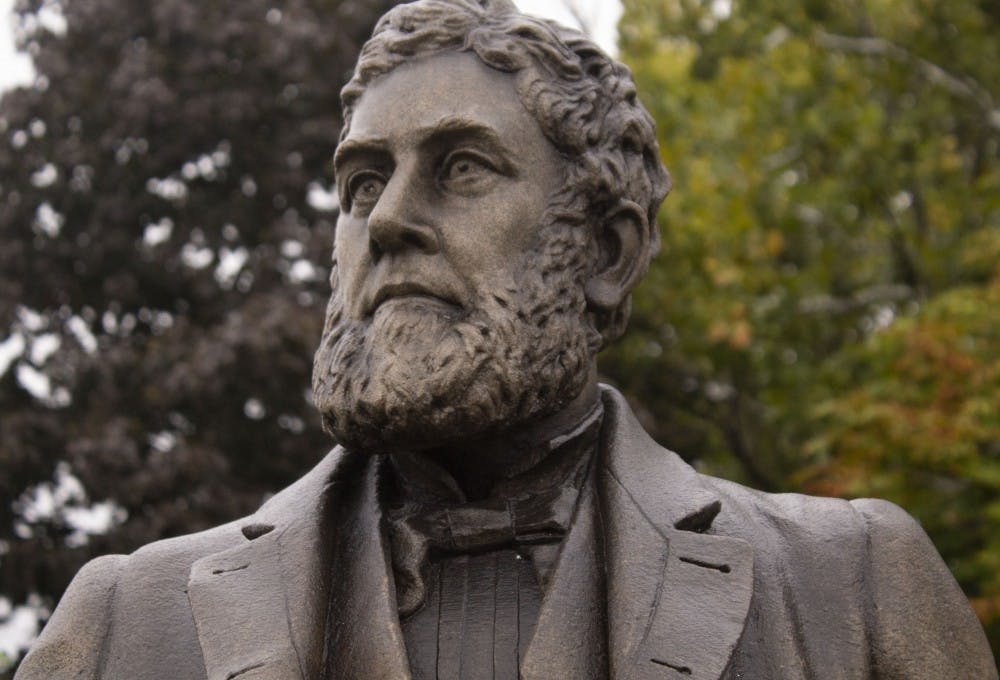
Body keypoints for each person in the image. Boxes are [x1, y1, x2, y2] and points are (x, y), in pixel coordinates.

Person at [16, 1, 997, 678]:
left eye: (462, 169)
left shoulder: (854, 588)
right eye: (361, 183)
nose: (388, 219)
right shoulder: (125, 624)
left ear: (607, 250)